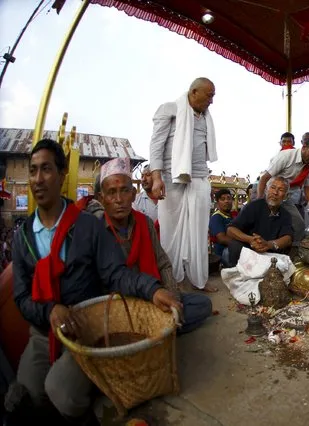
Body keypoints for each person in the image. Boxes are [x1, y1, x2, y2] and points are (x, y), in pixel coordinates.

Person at [11, 139, 181, 424]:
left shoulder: (88, 226)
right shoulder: (23, 236)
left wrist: (154, 291)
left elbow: (116, 274)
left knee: (62, 394)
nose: (38, 179)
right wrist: (50, 310)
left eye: (47, 170)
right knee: (28, 393)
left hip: (86, 328)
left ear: (62, 174)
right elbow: (20, 296)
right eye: (32, 171)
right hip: (43, 331)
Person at [99, 158, 212, 334]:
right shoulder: (96, 228)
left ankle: (159, 327)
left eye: (124, 191)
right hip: (122, 304)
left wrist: (173, 299)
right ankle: (160, 329)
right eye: (112, 193)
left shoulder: (144, 223)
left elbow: (163, 263)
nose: (119, 199)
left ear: (133, 194)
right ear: (102, 198)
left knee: (203, 304)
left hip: (155, 296)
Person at [149, 77, 217, 292]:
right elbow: (156, 145)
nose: (212, 101)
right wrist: (156, 177)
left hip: (199, 177)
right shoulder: (169, 109)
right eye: (209, 95)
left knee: (198, 232)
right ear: (194, 91)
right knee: (170, 233)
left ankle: (199, 280)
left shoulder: (206, 117)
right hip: (171, 177)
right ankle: (172, 281)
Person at [257, 137, 309, 242]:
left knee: (299, 225)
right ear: (304, 147)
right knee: (264, 223)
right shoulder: (286, 156)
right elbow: (264, 178)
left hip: (285, 197)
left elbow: (307, 187)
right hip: (269, 194)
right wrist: (259, 201)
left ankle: (292, 252)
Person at [227, 176, 293, 267]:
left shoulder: (286, 215)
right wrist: (250, 239)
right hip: (250, 250)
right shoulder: (253, 207)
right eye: (272, 188)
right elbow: (231, 230)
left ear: (286, 196)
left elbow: (288, 238)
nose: (275, 193)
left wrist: (269, 244)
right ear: (266, 190)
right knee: (235, 245)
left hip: (269, 253)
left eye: (281, 190)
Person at [209, 189, 234, 267]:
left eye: (229, 198)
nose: (226, 201)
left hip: (234, 249)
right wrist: (244, 243)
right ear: (217, 203)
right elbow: (222, 239)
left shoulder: (233, 215)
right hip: (224, 254)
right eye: (223, 199)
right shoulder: (216, 217)